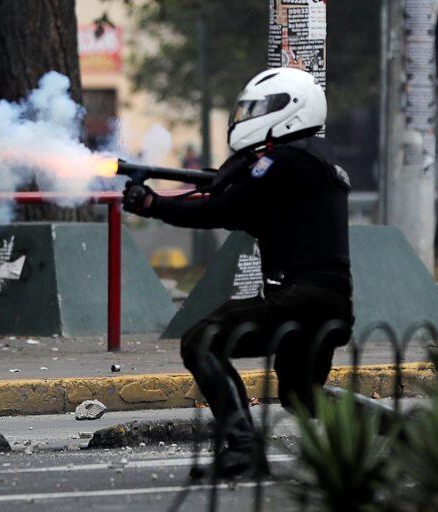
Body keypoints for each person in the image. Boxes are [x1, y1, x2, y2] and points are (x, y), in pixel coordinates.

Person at [123, 68, 354, 478]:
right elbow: (256, 217)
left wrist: (152, 205)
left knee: (201, 341)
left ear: (292, 110)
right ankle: (390, 430)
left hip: (299, 298)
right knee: (302, 397)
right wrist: (229, 179)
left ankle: (244, 449)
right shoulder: (312, 160)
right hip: (329, 304)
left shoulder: (285, 160)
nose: (247, 117)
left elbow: (224, 211)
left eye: (259, 110)